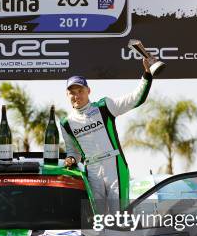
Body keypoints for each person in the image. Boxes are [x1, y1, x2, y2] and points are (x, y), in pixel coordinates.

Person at [60, 59, 153, 214]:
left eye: (80, 91)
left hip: (114, 165)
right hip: (92, 171)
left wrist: (147, 74)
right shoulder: (66, 123)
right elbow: (73, 152)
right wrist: (70, 159)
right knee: (98, 219)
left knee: (120, 216)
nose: (76, 96)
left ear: (89, 91)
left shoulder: (104, 106)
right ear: (67, 95)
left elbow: (136, 98)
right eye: (72, 93)